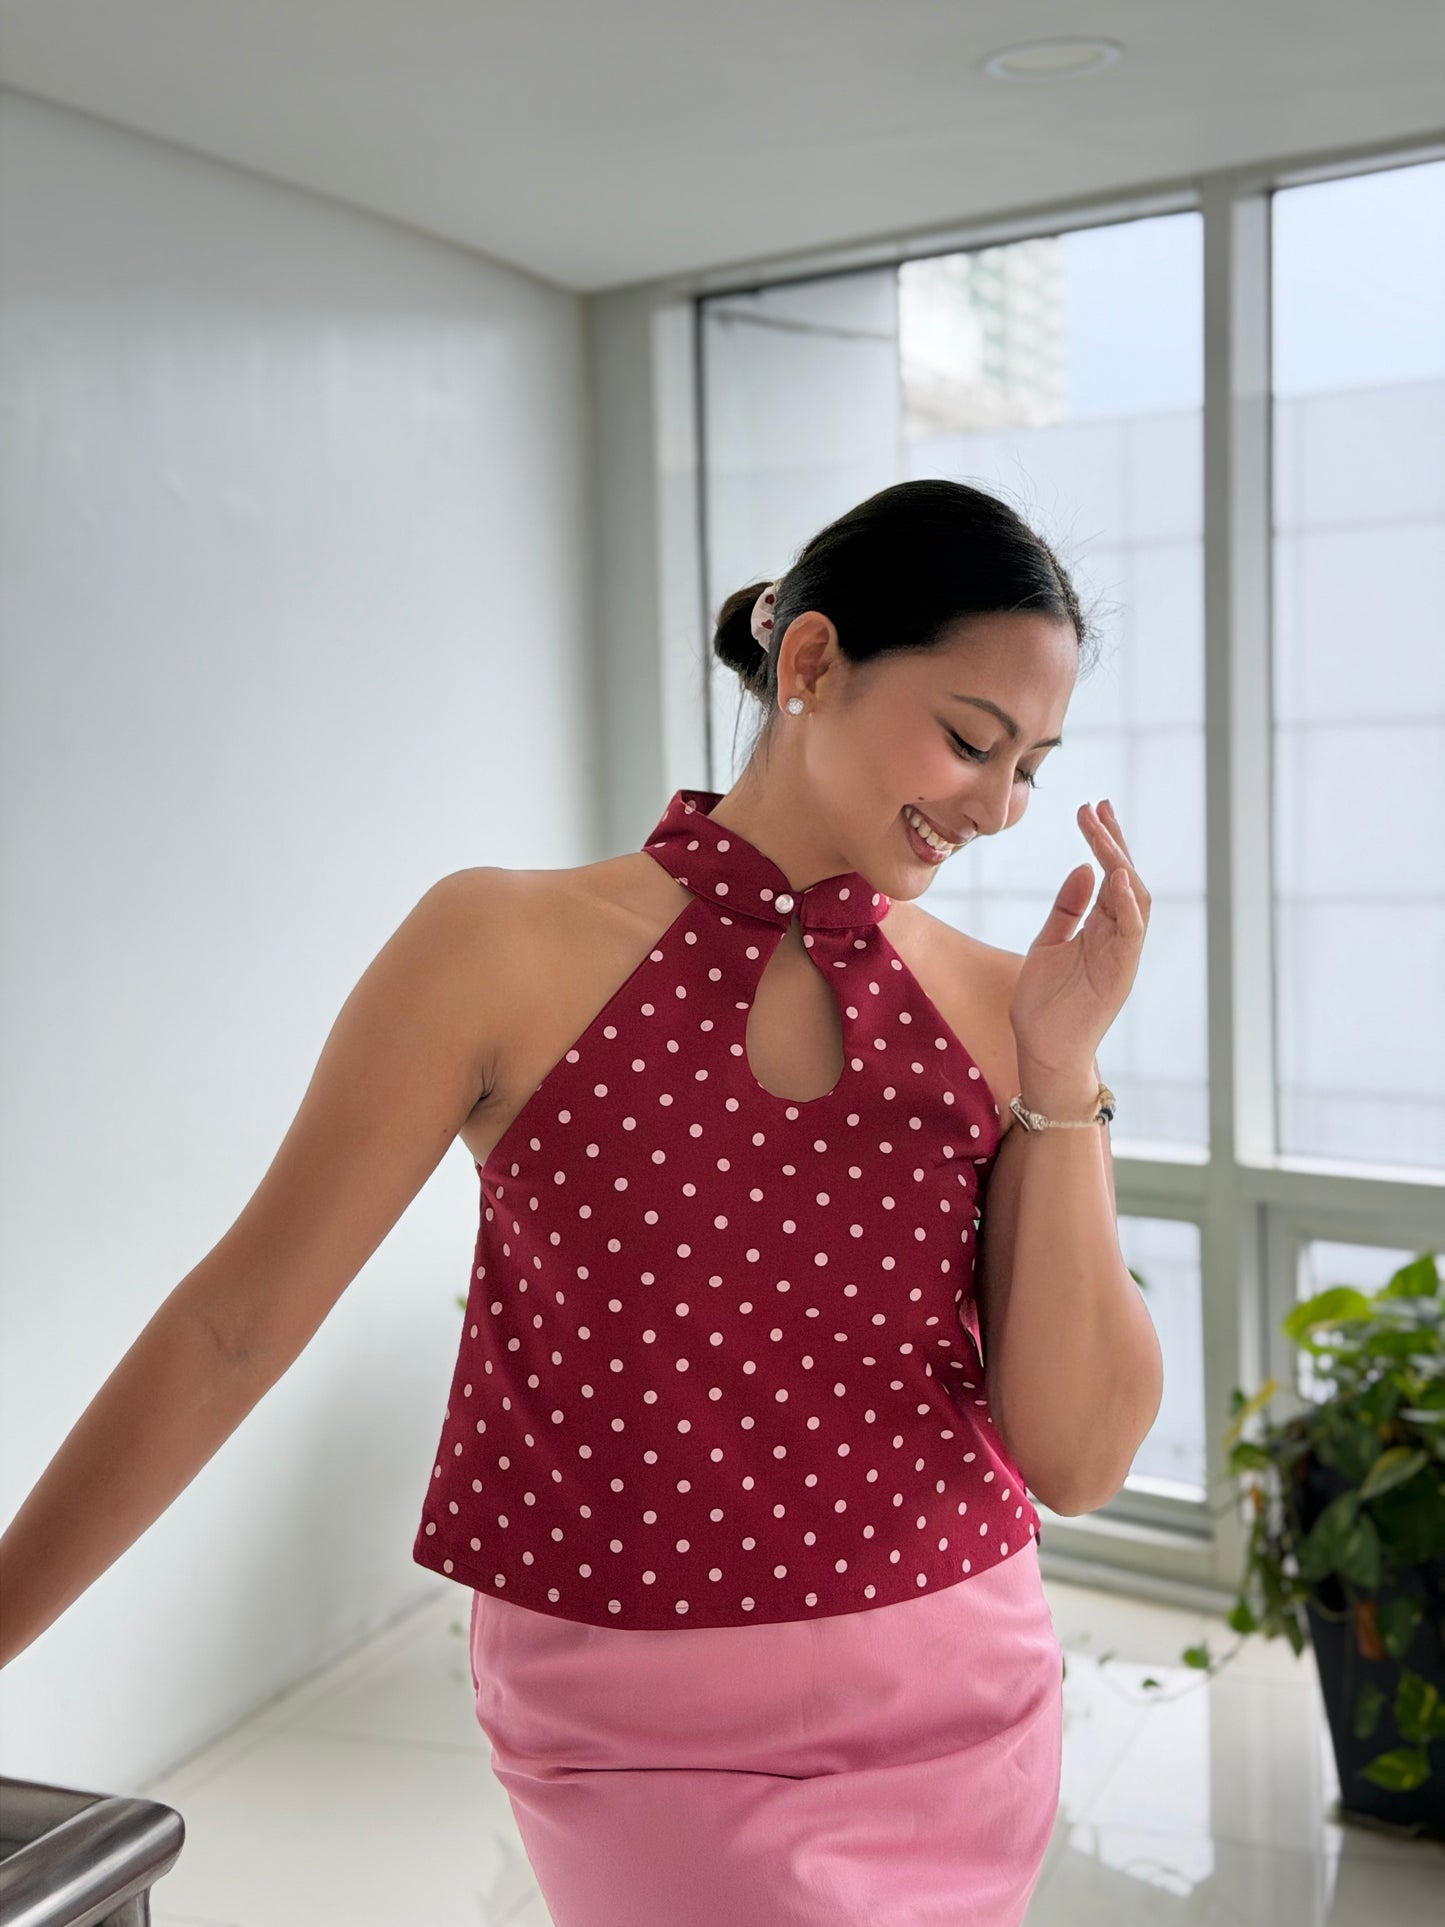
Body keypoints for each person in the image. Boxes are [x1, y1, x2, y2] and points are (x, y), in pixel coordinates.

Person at [0, 477, 1163, 1925]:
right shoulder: (498, 945)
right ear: (809, 661)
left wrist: (1063, 1071)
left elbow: (1078, 1457)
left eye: (1032, 767)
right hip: (637, 1718)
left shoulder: (1003, 1008)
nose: (996, 809)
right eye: (973, 741)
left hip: (956, 1689)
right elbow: (233, 1327)